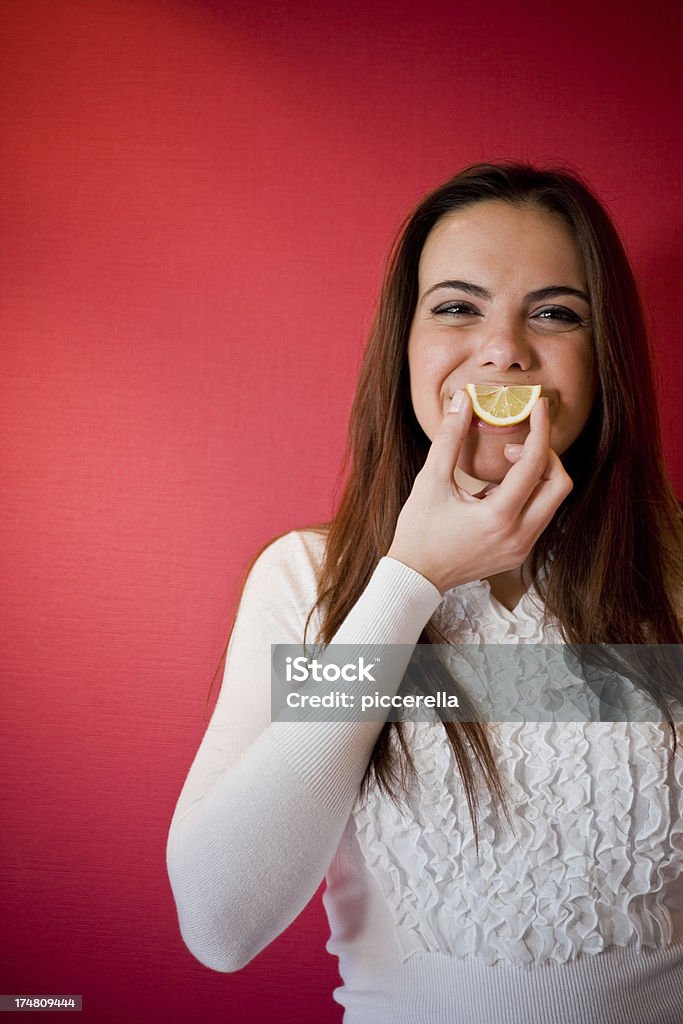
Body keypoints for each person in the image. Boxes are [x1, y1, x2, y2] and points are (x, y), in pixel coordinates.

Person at [166, 163, 683, 1023]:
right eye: (456, 306)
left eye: (555, 313)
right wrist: (408, 581)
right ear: (403, 345)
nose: (503, 350)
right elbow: (220, 925)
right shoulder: (306, 582)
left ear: (606, 360)